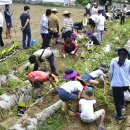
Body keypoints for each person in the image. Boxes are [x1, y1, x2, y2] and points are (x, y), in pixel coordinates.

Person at [109, 48, 130, 121]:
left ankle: (119, 116)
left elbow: (111, 72)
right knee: (121, 92)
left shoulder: (114, 60)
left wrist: (110, 81)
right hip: (126, 84)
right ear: (126, 55)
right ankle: (122, 105)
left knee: (116, 100)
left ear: (118, 54)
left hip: (116, 84)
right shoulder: (129, 62)